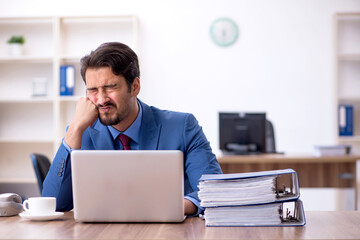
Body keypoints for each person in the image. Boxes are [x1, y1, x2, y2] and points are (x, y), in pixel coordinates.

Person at [42, 42, 222, 216]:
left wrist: (175, 206)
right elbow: (54, 203)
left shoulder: (182, 126)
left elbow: (213, 191)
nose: (102, 99)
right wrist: (74, 129)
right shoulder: (81, 133)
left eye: (110, 87)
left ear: (135, 87)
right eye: (93, 90)